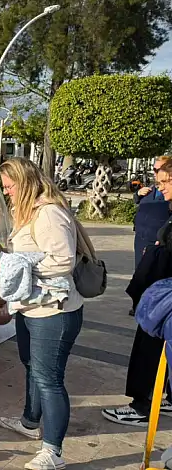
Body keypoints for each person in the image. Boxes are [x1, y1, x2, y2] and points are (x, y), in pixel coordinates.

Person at [0, 157, 83, 470]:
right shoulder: (28, 214)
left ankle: (53, 451)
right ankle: (30, 422)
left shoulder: (49, 214)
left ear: (25, 182)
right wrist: (5, 256)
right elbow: (28, 255)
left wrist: (21, 268)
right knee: (32, 366)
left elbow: (63, 261)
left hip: (53, 311)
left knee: (50, 380)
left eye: (10, 187)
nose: (7, 193)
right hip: (31, 307)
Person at [102, 160, 172, 427]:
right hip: (159, 291)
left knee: (149, 346)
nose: (160, 186)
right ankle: (161, 397)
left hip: (164, 299)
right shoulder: (166, 207)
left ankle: (141, 406)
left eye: (166, 181)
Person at [133, 157, 171, 269]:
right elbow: (138, 202)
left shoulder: (167, 194)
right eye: (154, 169)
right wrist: (138, 194)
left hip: (156, 241)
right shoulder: (150, 190)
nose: (156, 173)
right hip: (141, 239)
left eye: (159, 169)